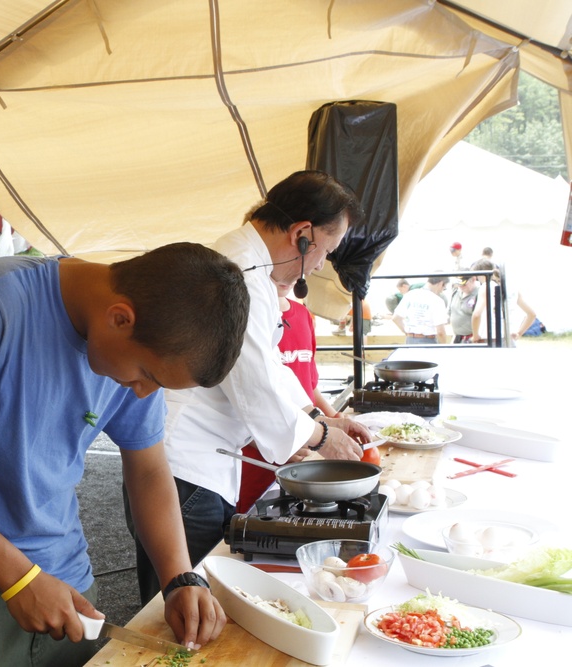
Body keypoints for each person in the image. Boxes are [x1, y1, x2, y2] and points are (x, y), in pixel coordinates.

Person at [0, 243, 249, 667]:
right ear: (120, 318)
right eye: (148, 376)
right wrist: (19, 579)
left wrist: (181, 577)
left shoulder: (140, 345)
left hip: (66, 584)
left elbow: (148, 470)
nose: (146, 393)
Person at [126, 171, 373, 603]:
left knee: (200, 601)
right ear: (302, 234)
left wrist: (319, 417)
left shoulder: (250, 265)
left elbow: (271, 367)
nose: (319, 266)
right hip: (183, 468)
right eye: (326, 252)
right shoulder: (239, 270)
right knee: (181, 605)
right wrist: (322, 437)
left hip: (201, 464)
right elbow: (255, 380)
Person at [236, 282, 342, 513]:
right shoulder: (247, 320)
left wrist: (333, 418)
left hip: (307, 441)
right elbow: (243, 399)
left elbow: (309, 385)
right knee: (253, 515)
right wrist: (279, 441)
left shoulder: (303, 315)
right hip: (256, 457)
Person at [469, 259, 537, 346]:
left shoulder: (486, 287)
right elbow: (532, 314)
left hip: (490, 338)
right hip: (509, 337)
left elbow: (477, 314)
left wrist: (475, 335)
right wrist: (519, 333)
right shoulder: (512, 289)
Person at [392, 276, 450, 344]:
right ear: (441, 284)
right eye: (444, 288)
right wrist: (443, 347)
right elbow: (440, 332)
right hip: (427, 341)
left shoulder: (410, 294)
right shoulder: (437, 301)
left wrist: (407, 332)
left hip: (409, 340)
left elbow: (395, 318)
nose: (442, 291)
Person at [448, 275, 478, 343]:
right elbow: (450, 313)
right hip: (457, 337)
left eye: (464, 284)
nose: (461, 287)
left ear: (473, 279)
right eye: (459, 284)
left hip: (471, 338)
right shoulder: (455, 293)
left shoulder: (478, 294)